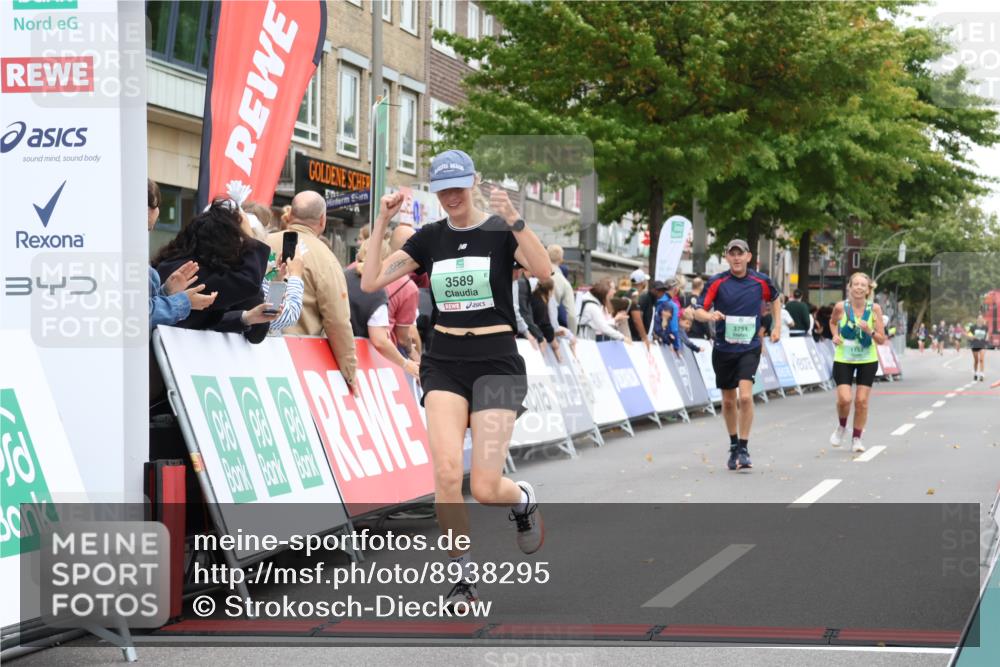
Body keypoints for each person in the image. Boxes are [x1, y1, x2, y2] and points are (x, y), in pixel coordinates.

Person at [360, 149, 551, 612]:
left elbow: (544, 272)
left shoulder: (500, 232)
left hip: (496, 363)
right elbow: (369, 282)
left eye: (458, 188)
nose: (450, 197)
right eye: (442, 189)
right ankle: (462, 579)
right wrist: (383, 223)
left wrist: (512, 216)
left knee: (485, 487)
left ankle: (522, 499)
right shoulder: (429, 237)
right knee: (446, 475)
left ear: (474, 182)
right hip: (444, 361)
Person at [694, 239, 781, 470]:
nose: (736, 258)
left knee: (745, 397)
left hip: (749, 347)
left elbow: (775, 298)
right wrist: (709, 316)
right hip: (723, 348)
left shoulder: (760, 281)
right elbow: (698, 310)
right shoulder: (717, 281)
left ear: (748, 257)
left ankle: (744, 446)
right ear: (727, 257)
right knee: (729, 401)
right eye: (732, 254)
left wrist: (777, 327)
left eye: (740, 254)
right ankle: (733, 445)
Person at [266, 191, 358, 392]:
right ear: (323, 220)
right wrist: (349, 372)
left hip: (255, 350)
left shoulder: (262, 243)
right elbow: (337, 321)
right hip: (300, 362)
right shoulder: (327, 259)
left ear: (290, 215)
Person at [153, 198, 279, 343]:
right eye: (241, 240)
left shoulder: (213, 270)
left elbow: (255, 332)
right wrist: (251, 241)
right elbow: (247, 283)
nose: (243, 249)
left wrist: (246, 318)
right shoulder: (188, 269)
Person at [829, 272, 887, 453]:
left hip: (867, 360)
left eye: (863, 285)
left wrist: (869, 330)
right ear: (850, 287)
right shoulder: (840, 307)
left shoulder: (875, 309)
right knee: (845, 399)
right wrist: (835, 336)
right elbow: (832, 323)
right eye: (856, 284)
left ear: (868, 289)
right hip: (843, 358)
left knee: (861, 401)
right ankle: (841, 426)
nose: (859, 288)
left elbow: (881, 340)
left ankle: (857, 438)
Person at [345, 239, 419, 376]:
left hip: (335, 351)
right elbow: (380, 340)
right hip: (367, 360)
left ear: (359, 254)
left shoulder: (343, 275)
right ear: (386, 262)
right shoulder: (378, 291)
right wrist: (406, 363)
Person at [547, 245, 577, 332]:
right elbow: (571, 314)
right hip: (554, 327)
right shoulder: (564, 282)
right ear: (561, 260)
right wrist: (573, 335)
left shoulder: (534, 274)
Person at [966, 315, 989, 381]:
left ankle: (981, 374)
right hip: (975, 344)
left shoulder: (985, 327)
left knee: (981, 359)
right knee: (976, 360)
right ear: (977, 320)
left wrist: (987, 337)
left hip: (982, 344)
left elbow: (987, 334)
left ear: (982, 320)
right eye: (979, 318)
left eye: (981, 318)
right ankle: (975, 373)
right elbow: (968, 334)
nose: (980, 319)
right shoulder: (973, 327)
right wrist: (972, 337)